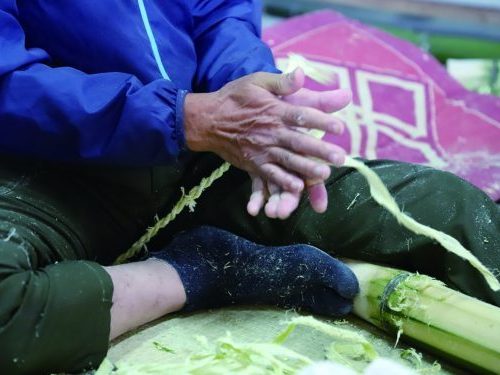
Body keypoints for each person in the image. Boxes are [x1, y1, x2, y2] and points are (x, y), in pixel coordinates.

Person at [0, 1, 498, 374]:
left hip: (205, 152)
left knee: (443, 208)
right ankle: (204, 269)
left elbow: (220, 11)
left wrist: (253, 94)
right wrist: (184, 118)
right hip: (48, 167)